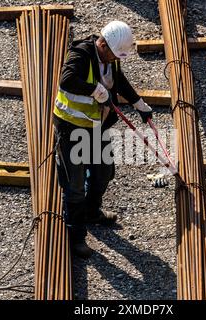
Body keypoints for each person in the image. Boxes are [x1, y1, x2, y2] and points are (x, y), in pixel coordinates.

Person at [53, 21, 153, 259]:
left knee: (104, 172)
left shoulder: (110, 58)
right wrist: (95, 90)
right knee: (74, 186)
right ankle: (76, 236)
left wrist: (139, 104)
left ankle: (91, 211)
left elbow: (119, 81)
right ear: (102, 44)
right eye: (113, 55)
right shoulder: (80, 55)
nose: (114, 60)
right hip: (71, 128)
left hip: (95, 127)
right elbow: (66, 80)